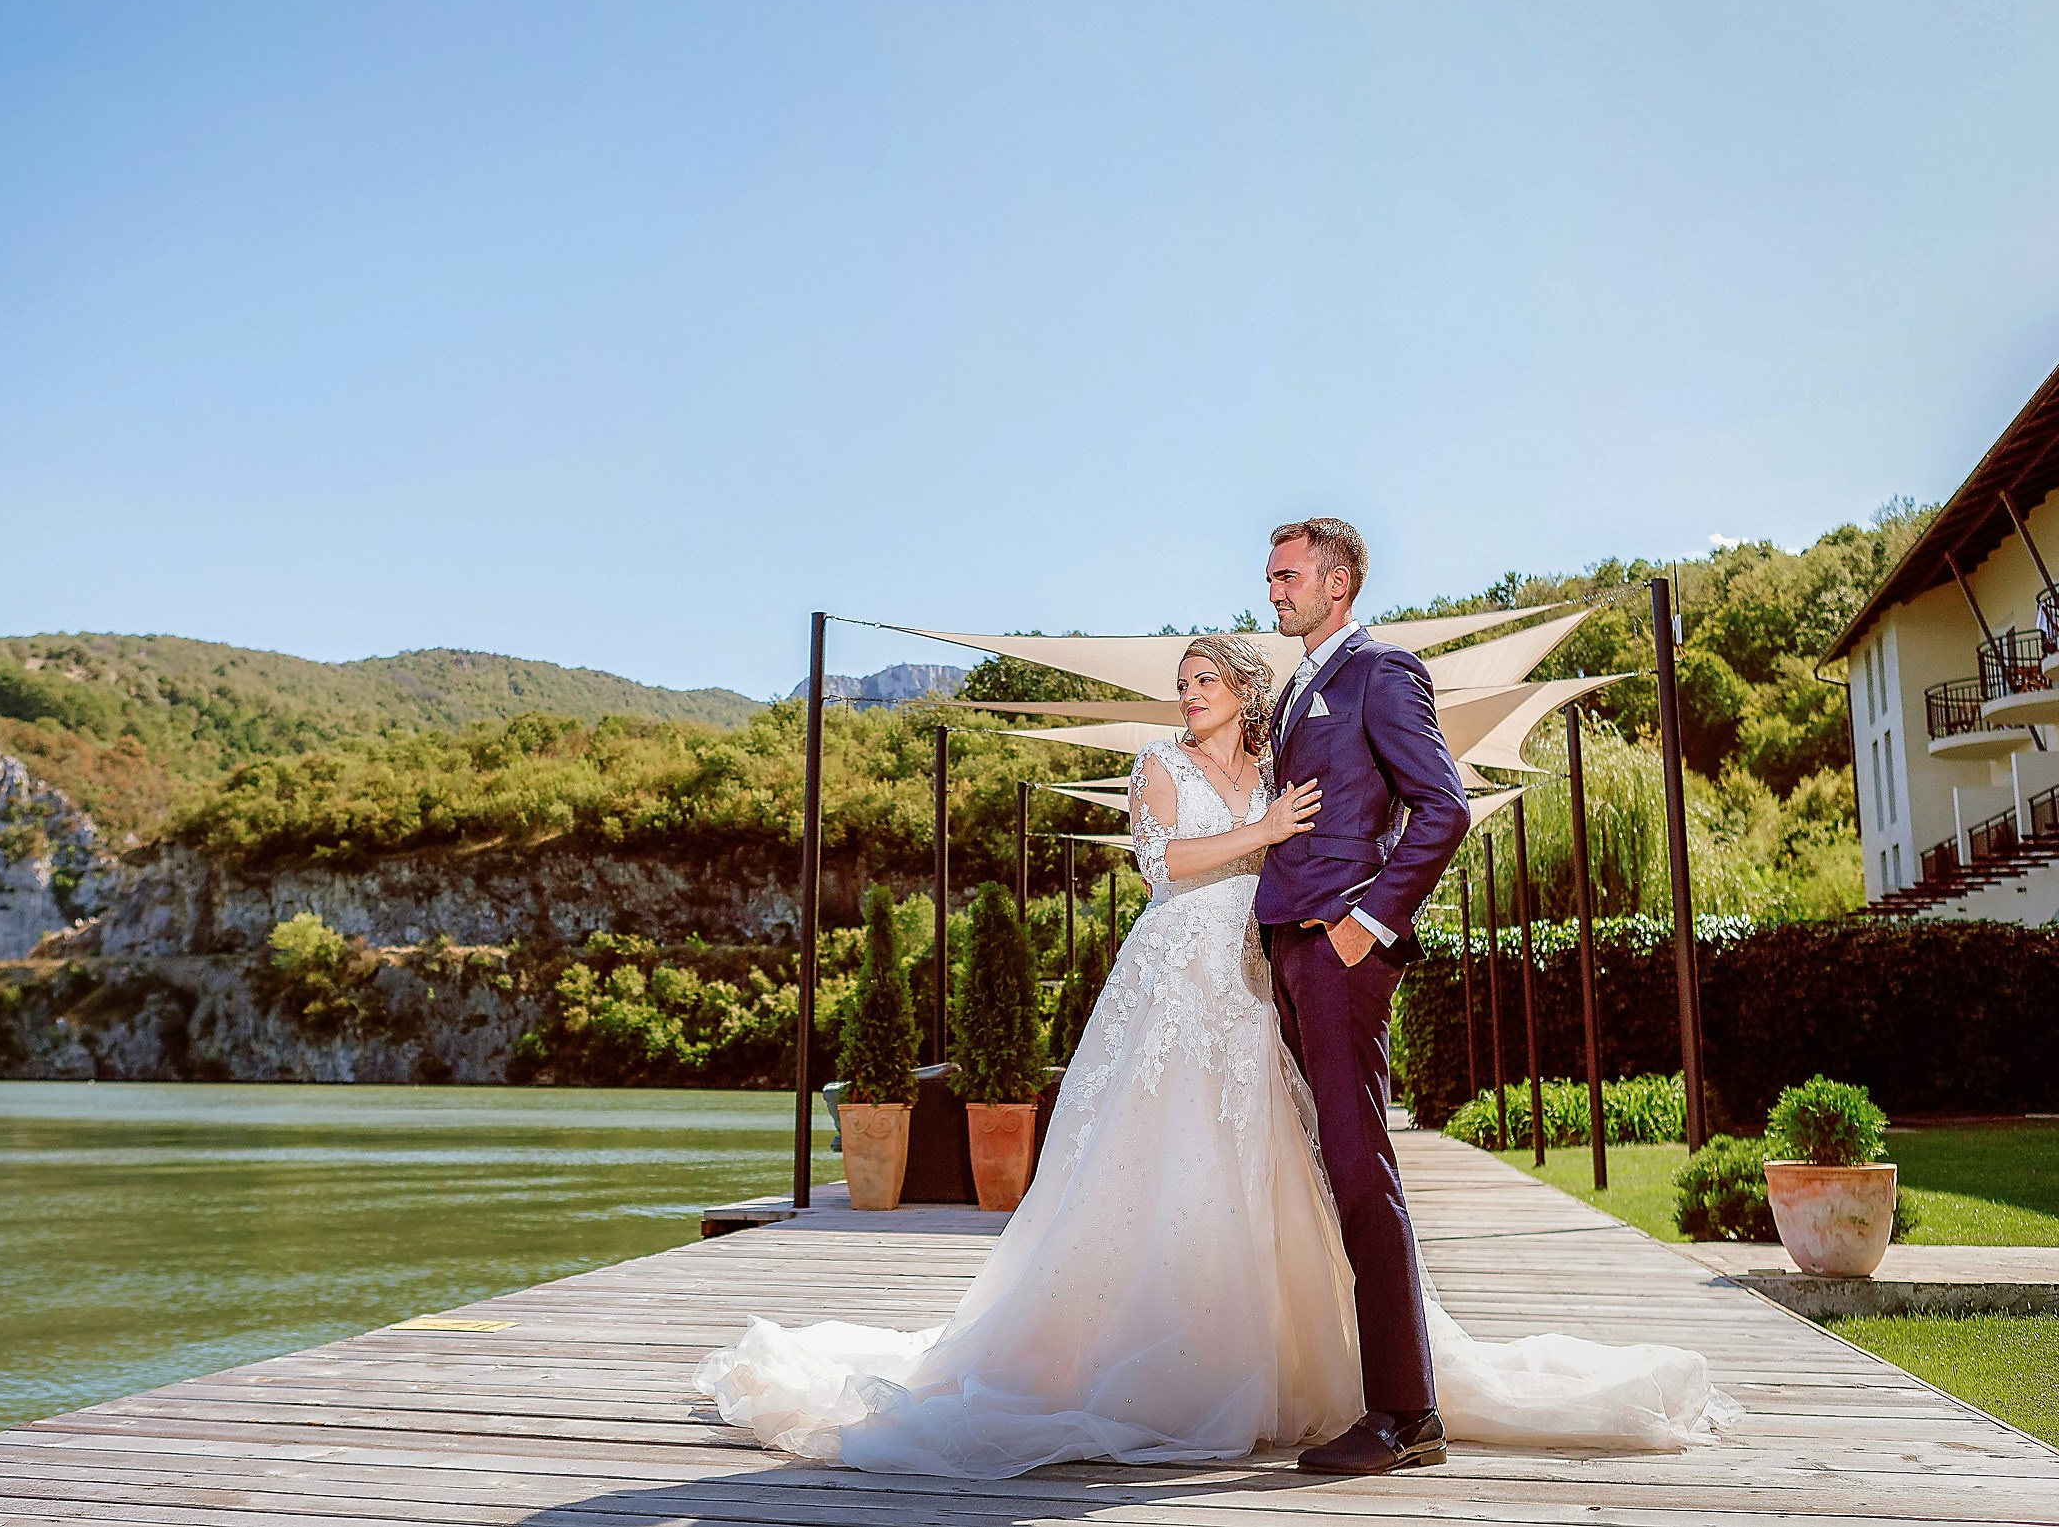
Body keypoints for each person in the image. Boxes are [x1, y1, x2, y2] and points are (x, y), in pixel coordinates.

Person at [696, 556, 1737, 1480]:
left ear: (1246, 690)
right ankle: (1159, 1364)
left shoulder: (1315, 723)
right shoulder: (1165, 766)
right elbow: (1159, 862)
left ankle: (1342, 1382)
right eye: (1180, 681)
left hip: (1260, 976)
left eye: (1204, 679)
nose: (1186, 693)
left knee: (1274, 1167)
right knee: (1157, 1165)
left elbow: (1408, 807)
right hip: (1176, 977)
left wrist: (1355, 913)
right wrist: (1260, 831)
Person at [1254, 517, 1466, 1474]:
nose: (1273, 590)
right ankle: (1389, 1397)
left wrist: (1364, 923)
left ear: (1337, 582)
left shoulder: (1380, 674)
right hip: (1293, 956)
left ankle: (1404, 1415)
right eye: (1270, 577)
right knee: (1332, 1170)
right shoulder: (1299, 688)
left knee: (1359, 1166)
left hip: (1342, 958)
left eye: (1287, 575)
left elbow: (1444, 806)